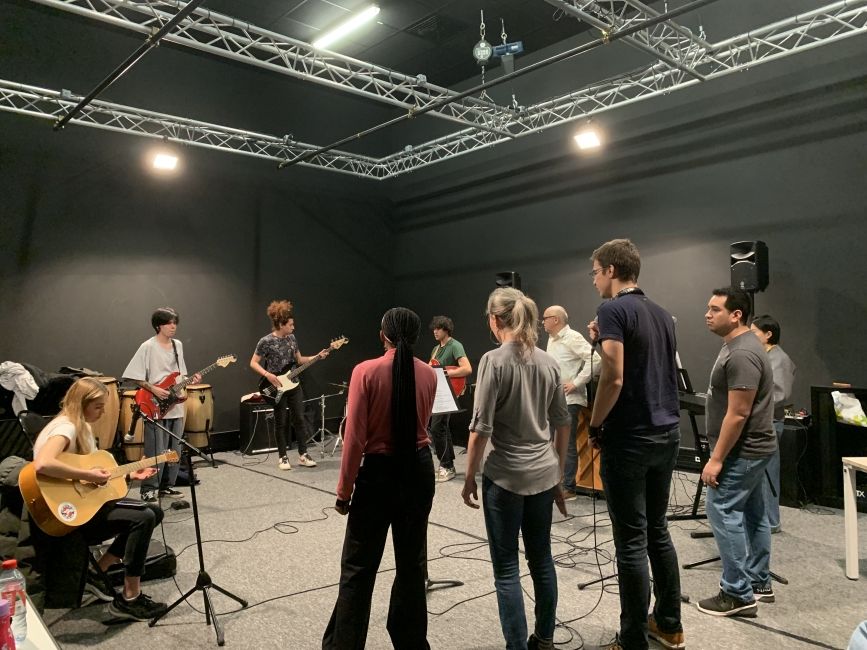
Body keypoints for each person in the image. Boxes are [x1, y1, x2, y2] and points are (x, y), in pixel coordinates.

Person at [586, 239, 683, 650]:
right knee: (657, 531)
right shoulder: (662, 314)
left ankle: (632, 640)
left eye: (594, 271)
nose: (593, 280)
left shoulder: (612, 309)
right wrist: (598, 341)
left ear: (610, 270)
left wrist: (594, 422)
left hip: (630, 439)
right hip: (668, 434)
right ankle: (669, 624)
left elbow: (616, 376)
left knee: (630, 540)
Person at [323, 308, 437, 649]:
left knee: (358, 568)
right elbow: (424, 424)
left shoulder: (365, 372)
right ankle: (410, 642)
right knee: (412, 564)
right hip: (418, 470)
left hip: (377, 474)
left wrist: (344, 492)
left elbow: (354, 438)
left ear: (383, 335)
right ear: (416, 338)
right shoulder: (430, 375)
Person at [462, 288, 570, 650]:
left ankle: (516, 646)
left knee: (506, 568)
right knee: (542, 559)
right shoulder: (549, 362)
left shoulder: (493, 360)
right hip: (542, 476)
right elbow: (562, 422)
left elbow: (480, 429)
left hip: (505, 478)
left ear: (495, 320)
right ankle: (545, 639)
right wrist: (557, 473)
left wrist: (468, 477)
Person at [32, 377, 167, 621]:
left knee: (153, 512)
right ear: (80, 404)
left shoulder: (73, 424)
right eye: (98, 406)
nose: (103, 411)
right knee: (144, 516)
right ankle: (130, 597)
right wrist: (87, 474)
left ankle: (100, 571)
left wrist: (127, 475)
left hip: (78, 504)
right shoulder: (67, 427)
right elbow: (43, 464)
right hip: (67, 516)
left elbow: (94, 478)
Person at [699, 288, 776, 617]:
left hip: (741, 452)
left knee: (721, 511)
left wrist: (716, 458)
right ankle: (759, 582)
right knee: (754, 514)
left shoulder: (742, 353)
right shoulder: (739, 346)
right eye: (708, 308)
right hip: (753, 450)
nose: (707, 314)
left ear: (736, 315)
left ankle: (737, 593)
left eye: (715, 309)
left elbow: (739, 413)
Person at [122, 307, 200, 503]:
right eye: (168, 323)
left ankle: (167, 486)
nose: (173, 326)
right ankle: (149, 488)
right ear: (158, 325)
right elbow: (132, 375)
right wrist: (154, 389)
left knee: (174, 450)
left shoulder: (178, 345)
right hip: (154, 404)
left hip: (175, 404)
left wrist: (191, 379)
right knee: (156, 450)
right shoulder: (147, 346)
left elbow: (180, 373)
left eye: (175, 322)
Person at [250, 300, 328, 470]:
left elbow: (299, 360)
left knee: (299, 419)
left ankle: (303, 454)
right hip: (277, 386)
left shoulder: (292, 338)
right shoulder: (265, 341)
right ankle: (283, 457)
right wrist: (268, 375)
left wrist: (317, 356)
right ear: (281, 324)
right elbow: (253, 363)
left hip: (294, 385)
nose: (293, 327)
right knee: (281, 422)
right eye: (291, 324)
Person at [542, 305, 599, 499]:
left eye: (545, 318)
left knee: (566, 444)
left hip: (569, 400)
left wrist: (576, 382)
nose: (543, 322)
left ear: (556, 319)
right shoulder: (552, 339)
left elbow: (596, 360)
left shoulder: (572, 337)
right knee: (552, 442)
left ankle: (568, 487)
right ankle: (555, 483)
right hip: (553, 399)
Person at [750, 315, 796, 534]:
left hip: (769, 422)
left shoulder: (779, 358)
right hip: (761, 420)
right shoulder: (764, 356)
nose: (750, 335)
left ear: (768, 334)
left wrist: (750, 402)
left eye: (754, 332)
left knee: (768, 472)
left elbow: (780, 394)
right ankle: (763, 518)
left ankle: (771, 521)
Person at [428, 315, 472, 482]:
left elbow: (467, 369)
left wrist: (446, 373)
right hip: (438, 393)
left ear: (446, 329)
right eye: (434, 329)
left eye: (438, 328)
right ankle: (447, 464)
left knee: (438, 427)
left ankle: (447, 465)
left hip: (448, 394)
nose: (435, 331)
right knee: (441, 428)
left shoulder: (455, 345)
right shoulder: (436, 349)